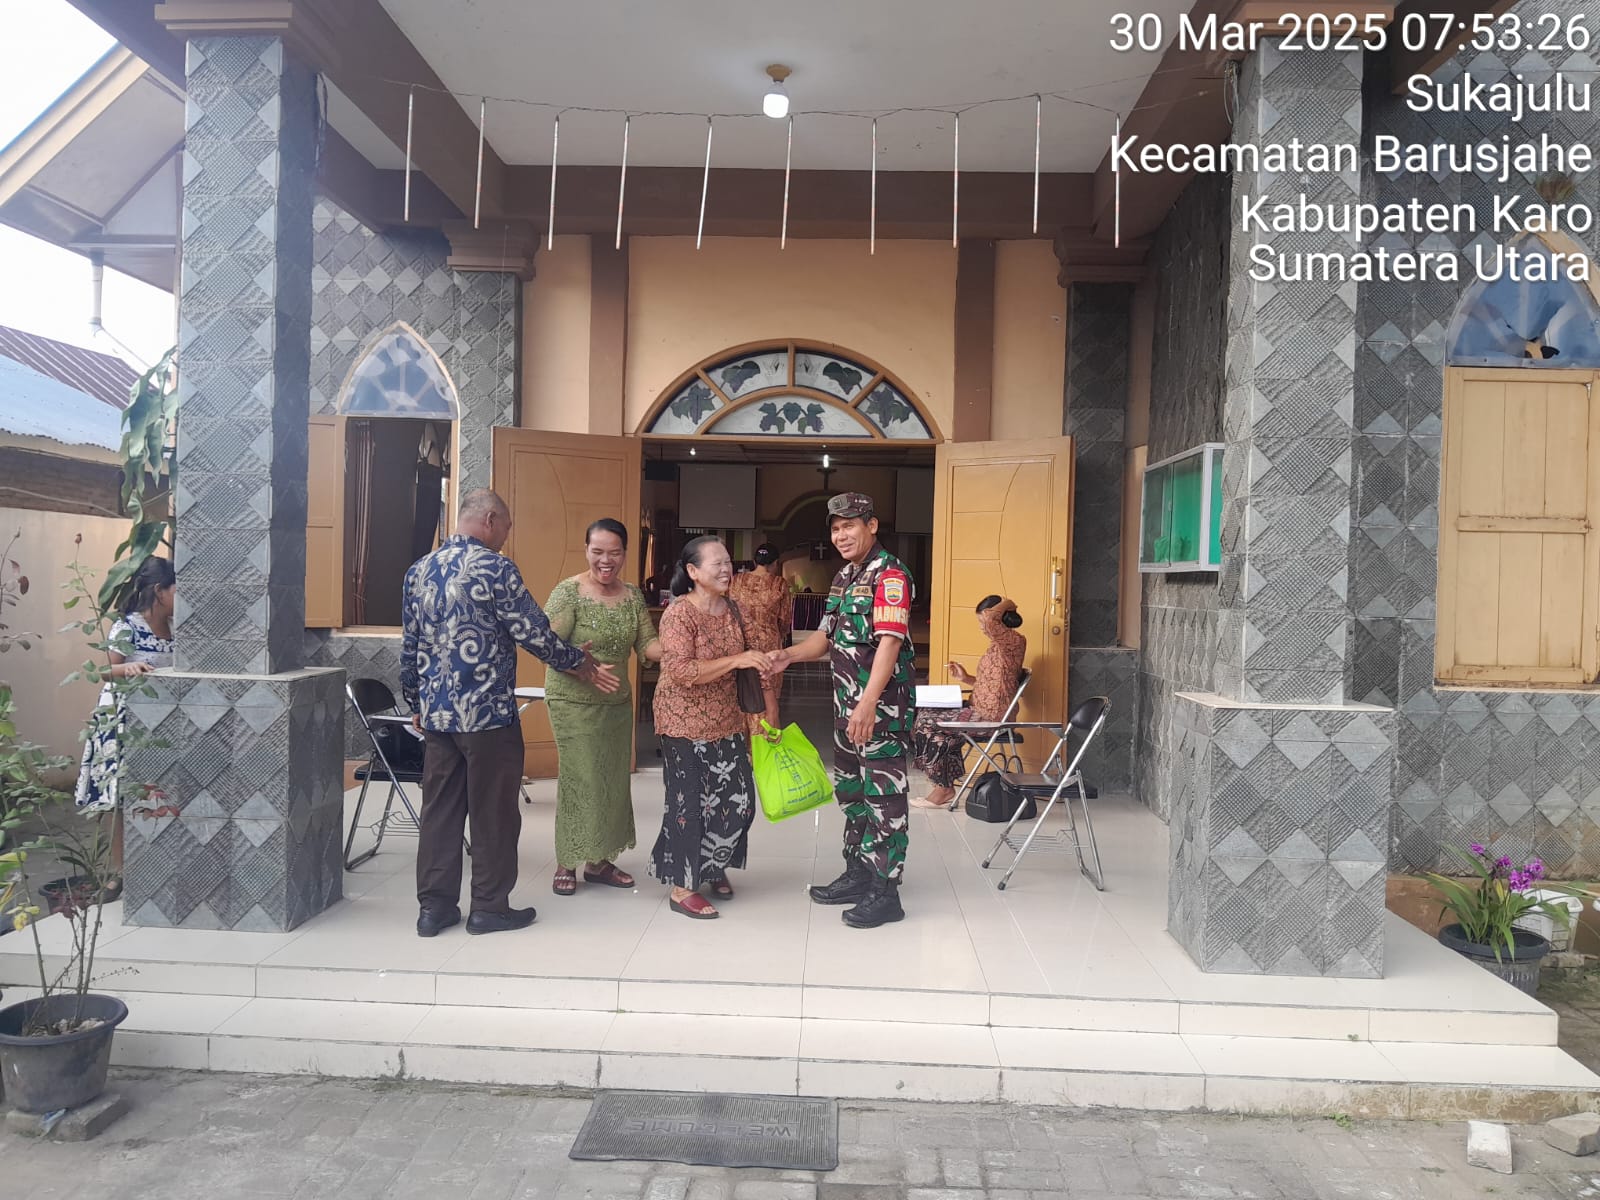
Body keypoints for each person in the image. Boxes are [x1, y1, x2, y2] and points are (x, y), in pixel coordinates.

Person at [401, 489, 619, 939]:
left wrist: (415, 702)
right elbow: (532, 632)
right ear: (489, 519)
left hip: (439, 718)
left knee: (439, 813)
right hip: (489, 718)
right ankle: (488, 908)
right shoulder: (495, 568)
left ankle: (434, 909)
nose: (505, 536)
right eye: (506, 527)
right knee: (493, 815)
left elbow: (410, 645)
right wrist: (577, 662)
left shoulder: (419, 570)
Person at [769, 493, 915, 929]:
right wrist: (786, 656)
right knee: (852, 792)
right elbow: (824, 638)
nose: (841, 535)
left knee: (884, 797)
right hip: (846, 709)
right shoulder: (845, 577)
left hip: (879, 711)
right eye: (835, 529)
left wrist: (868, 703)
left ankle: (886, 891)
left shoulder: (890, 575)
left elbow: (889, 642)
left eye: (849, 525)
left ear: (871, 525)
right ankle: (859, 873)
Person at [650, 536, 769, 919]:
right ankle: (682, 887)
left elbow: (755, 652)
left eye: (728, 562)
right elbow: (680, 671)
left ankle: (713, 864)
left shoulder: (734, 609)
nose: (726, 569)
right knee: (690, 805)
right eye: (716, 563)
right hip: (682, 722)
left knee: (739, 802)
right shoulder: (679, 614)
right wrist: (737, 660)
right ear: (693, 571)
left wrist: (769, 661)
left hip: (727, 719)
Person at [545, 518, 663, 896]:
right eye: (597, 552)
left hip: (616, 703)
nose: (605, 560)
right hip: (572, 700)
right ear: (586, 550)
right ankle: (567, 860)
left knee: (612, 781)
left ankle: (599, 861)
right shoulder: (569, 592)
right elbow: (546, 644)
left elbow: (647, 644)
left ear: (625, 553)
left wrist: (680, 648)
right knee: (582, 778)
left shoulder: (632, 596)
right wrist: (583, 667)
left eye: (614, 553)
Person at [75, 556, 175, 833]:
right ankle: (117, 860)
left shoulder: (176, 628)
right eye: (177, 591)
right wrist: (127, 668)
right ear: (159, 591)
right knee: (118, 793)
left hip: (159, 719)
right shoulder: (127, 626)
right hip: (122, 719)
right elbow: (104, 670)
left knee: (152, 791)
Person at [910, 595, 1027, 810]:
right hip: (977, 709)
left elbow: (991, 619)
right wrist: (965, 678)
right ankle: (943, 785)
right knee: (925, 714)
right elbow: (991, 684)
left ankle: (943, 788)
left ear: (999, 617)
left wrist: (1007, 603)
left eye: (982, 621)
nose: (982, 627)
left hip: (992, 717)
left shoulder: (1013, 642)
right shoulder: (996, 646)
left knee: (929, 724)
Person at [728, 542, 792, 739]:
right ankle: (764, 742)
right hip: (769, 647)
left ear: (754, 561)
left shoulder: (736, 580)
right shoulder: (779, 584)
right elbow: (785, 619)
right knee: (768, 697)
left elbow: (728, 610)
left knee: (740, 693)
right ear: (775, 563)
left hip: (739, 646)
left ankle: (740, 741)